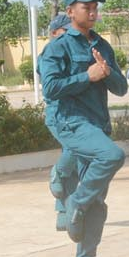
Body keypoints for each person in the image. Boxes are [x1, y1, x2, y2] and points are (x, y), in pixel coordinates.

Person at [38, 0, 129, 257]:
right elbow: (51, 88)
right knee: (112, 155)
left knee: (98, 203)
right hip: (71, 121)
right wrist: (86, 76)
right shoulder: (58, 47)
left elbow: (121, 88)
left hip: (97, 124)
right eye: (86, 7)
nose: (92, 12)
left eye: (95, 7)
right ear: (70, 11)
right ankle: (75, 201)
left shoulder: (102, 45)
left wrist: (107, 73)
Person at [38, 13, 76, 230]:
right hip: (59, 113)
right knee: (74, 149)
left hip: (76, 112)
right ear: (54, 33)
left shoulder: (72, 50)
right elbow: (52, 86)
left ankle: (64, 212)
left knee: (76, 165)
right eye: (66, 31)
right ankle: (58, 173)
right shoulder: (49, 54)